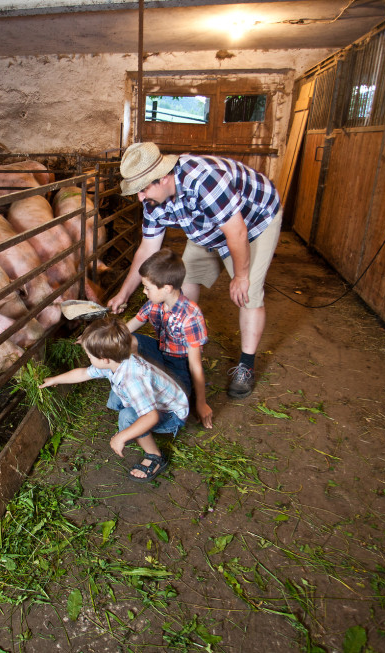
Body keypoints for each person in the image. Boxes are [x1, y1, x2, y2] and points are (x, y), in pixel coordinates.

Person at [108, 142, 282, 400]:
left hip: (254, 220)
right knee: (184, 278)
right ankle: (185, 344)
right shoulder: (153, 201)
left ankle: (246, 365)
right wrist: (124, 294)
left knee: (248, 293)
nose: (140, 198)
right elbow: (146, 249)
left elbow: (236, 232)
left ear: (164, 177)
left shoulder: (205, 180)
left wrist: (241, 276)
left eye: (143, 189)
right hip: (205, 226)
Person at [39, 316, 188, 482]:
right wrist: (55, 380)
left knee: (128, 417)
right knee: (117, 399)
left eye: (89, 356)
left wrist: (121, 437)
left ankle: (155, 457)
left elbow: (150, 416)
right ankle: (133, 431)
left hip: (171, 414)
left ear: (104, 358)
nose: (88, 359)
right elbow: (83, 373)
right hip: (159, 401)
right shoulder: (116, 361)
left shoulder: (132, 379)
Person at [125, 248, 213, 428]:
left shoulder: (191, 316)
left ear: (166, 288)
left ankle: (174, 410)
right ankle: (138, 382)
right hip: (160, 352)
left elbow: (195, 365)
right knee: (129, 340)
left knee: (173, 400)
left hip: (180, 364)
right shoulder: (153, 304)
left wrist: (201, 402)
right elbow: (128, 328)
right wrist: (96, 337)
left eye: (147, 288)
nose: (144, 292)